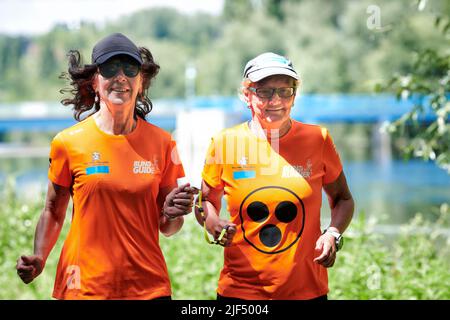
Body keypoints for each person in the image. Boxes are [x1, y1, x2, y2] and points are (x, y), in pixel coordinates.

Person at [16, 33, 197, 300]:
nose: (121, 76)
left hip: (147, 287)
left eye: (130, 69)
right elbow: (53, 212)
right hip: (84, 287)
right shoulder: (68, 142)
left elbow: (168, 226)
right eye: (110, 68)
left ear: (141, 82)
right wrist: (40, 256)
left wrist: (172, 214)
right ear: (94, 81)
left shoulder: (163, 142)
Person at [195, 52, 354, 300]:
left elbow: (343, 199)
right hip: (241, 293)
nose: (276, 100)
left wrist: (332, 234)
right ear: (247, 95)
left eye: (284, 91)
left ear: (294, 96)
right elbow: (205, 201)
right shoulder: (224, 143)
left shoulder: (318, 139)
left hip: (307, 291)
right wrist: (212, 222)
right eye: (265, 91)